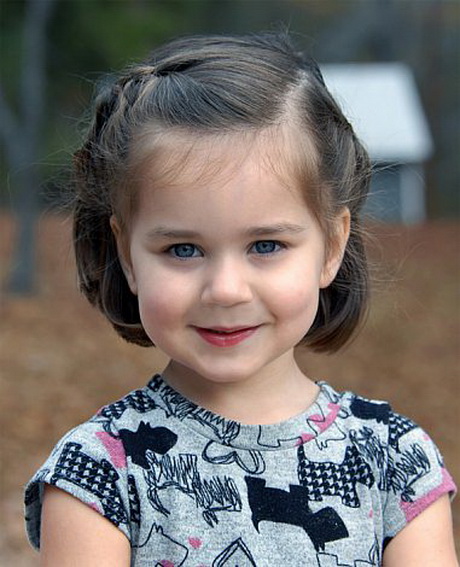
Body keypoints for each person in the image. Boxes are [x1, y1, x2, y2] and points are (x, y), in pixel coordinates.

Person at [24, 33, 457, 566]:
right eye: (183, 249)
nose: (226, 289)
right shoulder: (99, 473)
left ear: (332, 246)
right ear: (128, 255)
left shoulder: (396, 463)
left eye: (266, 246)